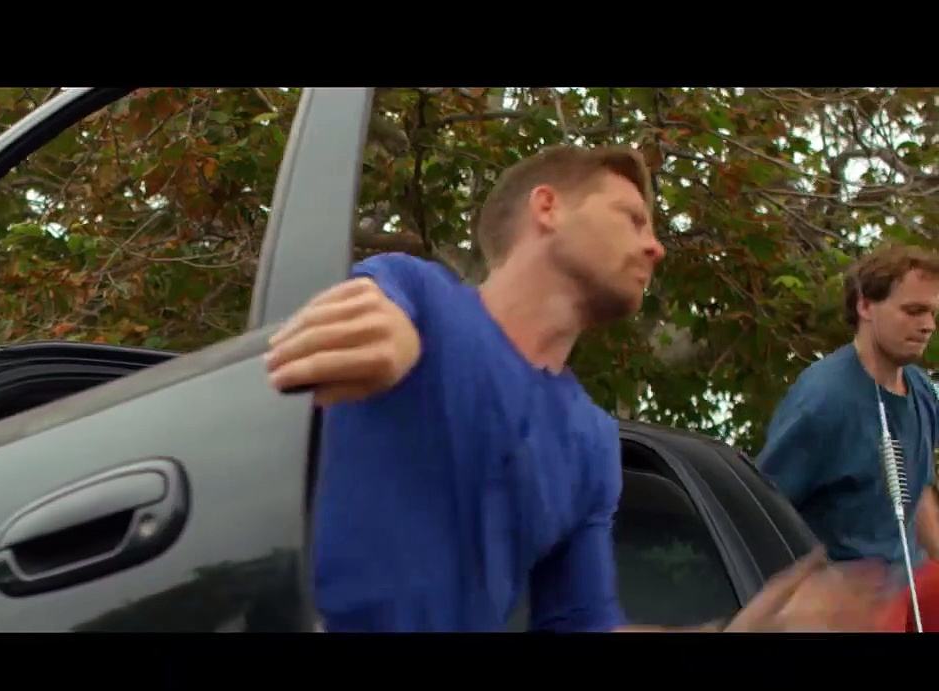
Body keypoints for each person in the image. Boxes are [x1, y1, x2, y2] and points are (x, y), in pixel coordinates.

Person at [266, 144, 889, 632]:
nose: (655, 247)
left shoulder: (589, 442)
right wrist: (383, 332)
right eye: (632, 219)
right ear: (548, 207)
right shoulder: (419, 294)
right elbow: (372, 304)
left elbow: (580, 624)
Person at [758, 244, 939, 592]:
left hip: (908, 591)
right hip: (844, 601)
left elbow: (919, 497)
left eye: (932, 313)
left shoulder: (920, 389)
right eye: (914, 311)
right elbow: (763, 515)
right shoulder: (824, 399)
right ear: (865, 306)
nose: (928, 326)